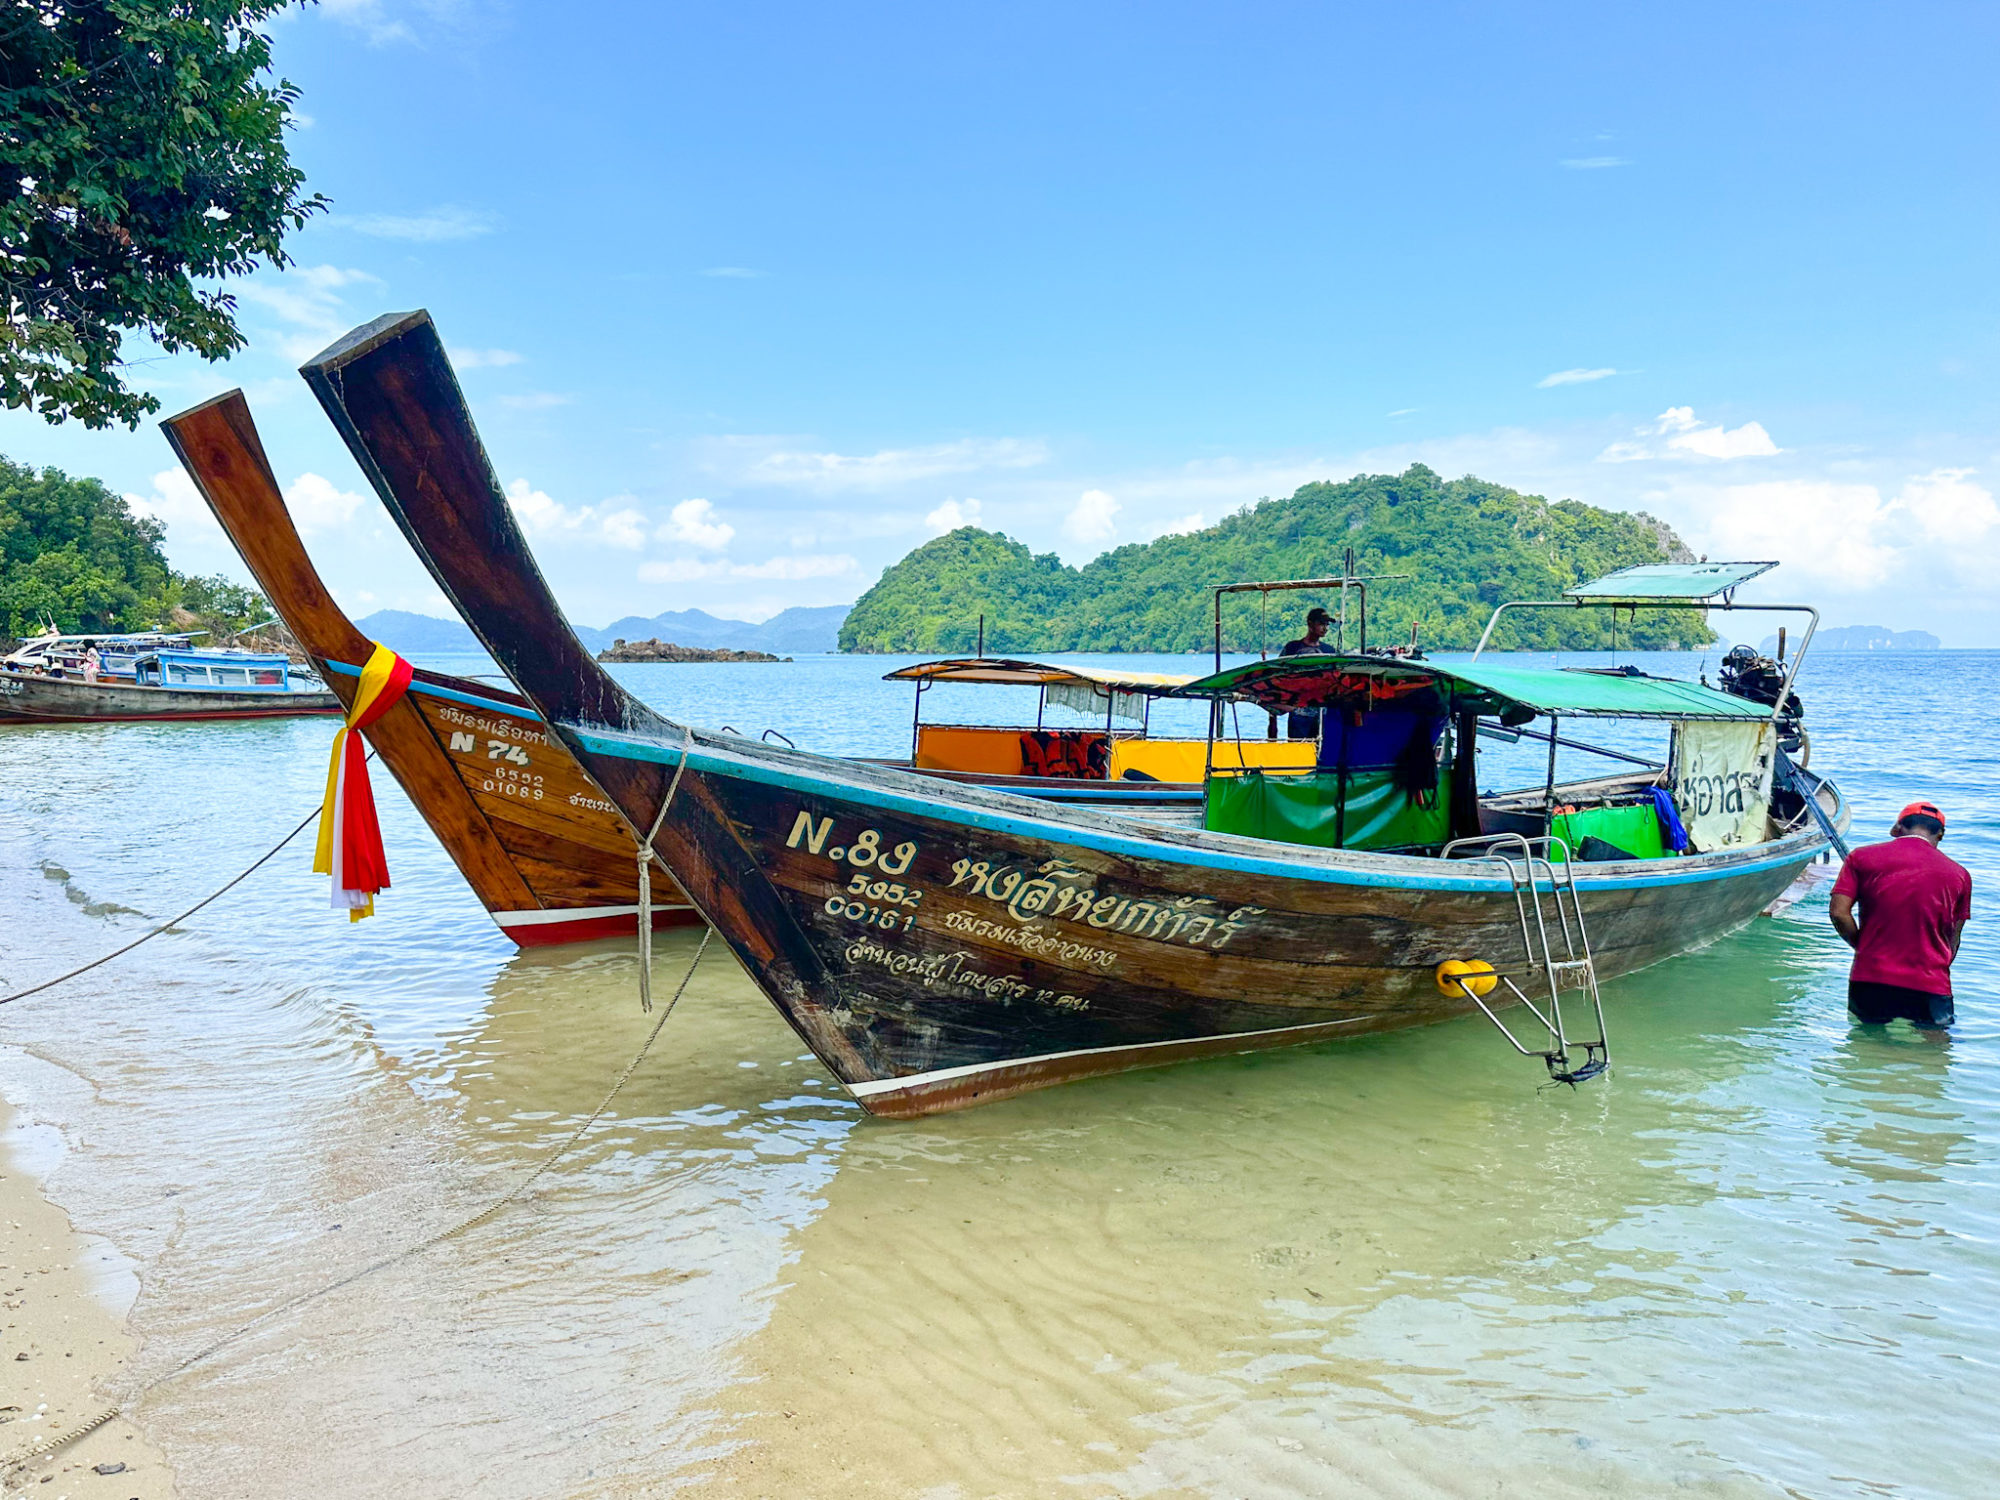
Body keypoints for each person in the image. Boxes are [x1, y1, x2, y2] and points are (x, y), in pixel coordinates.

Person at [1830, 801, 1971, 1030]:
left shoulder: (1861, 857)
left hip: (1870, 977)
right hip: (1930, 982)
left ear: (1896, 829)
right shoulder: (1960, 875)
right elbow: (1953, 938)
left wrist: (1864, 947)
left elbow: (1839, 913)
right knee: (1934, 1055)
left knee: (1865, 1049)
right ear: (1941, 834)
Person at [1277, 607, 1333, 740]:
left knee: (1320, 752)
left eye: (1327, 624)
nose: (1325, 628)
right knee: (1298, 751)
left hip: (1322, 712)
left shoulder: (1329, 650)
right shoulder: (1293, 648)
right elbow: (1277, 675)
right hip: (1299, 712)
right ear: (1310, 624)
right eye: (1321, 624)